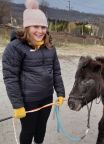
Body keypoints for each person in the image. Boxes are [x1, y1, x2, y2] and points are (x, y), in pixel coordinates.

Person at [2, 0, 65, 144]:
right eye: (35, 26)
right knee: (28, 131)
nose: (40, 31)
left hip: (46, 99)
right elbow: (10, 78)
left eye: (43, 27)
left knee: (41, 129)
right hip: (28, 101)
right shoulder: (15, 48)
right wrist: (17, 105)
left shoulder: (50, 47)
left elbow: (56, 71)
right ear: (26, 27)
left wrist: (60, 93)